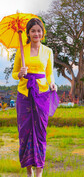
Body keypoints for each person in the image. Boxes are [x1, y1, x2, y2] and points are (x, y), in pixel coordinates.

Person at [12, 18, 59, 177]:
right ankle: (29, 171)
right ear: (28, 33)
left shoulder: (48, 51)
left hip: (41, 94)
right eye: (33, 31)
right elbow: (14, 73)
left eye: (39, 30)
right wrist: (20, 74)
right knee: (24, 132)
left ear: (43, 33)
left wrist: (52, 83)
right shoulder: (21, 50)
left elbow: (49, 73)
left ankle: (39, 171)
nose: (36, 33)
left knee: (40, 131)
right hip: (24, 94)